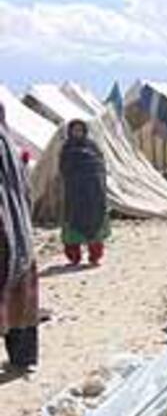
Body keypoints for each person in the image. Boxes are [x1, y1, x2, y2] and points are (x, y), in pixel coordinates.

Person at [0, 103, 39, 372]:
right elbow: (27, 192)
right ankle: (22, 357)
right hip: (19, 233)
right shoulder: (12, 148)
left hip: (8, 232)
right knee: (20, 296)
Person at [60, 120, 109, 265]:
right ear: (70, 132)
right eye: (75, 130)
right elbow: (63, 169)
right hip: (74, 193)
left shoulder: (93, 147)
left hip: (94, 193)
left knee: (95, 221)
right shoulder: (66, 148)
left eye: (80, 130)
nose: (78, 133)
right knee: (72, 222)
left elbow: (101, 167)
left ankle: (94, 256)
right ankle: (74, 257)